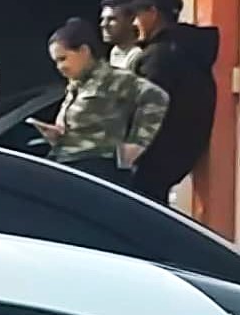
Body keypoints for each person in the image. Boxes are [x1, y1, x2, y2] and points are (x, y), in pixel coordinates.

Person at [28, 17, 166, 189]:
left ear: (84, 51)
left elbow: (157, 98)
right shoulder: (76, 85)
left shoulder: (114, 79)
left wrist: (137, 143)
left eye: (63, 59)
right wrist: (57, 134)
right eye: (56, 61)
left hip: (99, 168)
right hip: (70, 165)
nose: (59, 67)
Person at [122, 0, 223, 205]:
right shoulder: (188, 51)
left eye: (137, 15)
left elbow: (145, 109)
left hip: (152, 159)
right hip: (177, 157)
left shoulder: (160, 57)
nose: (134, 22)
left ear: (152, 13)